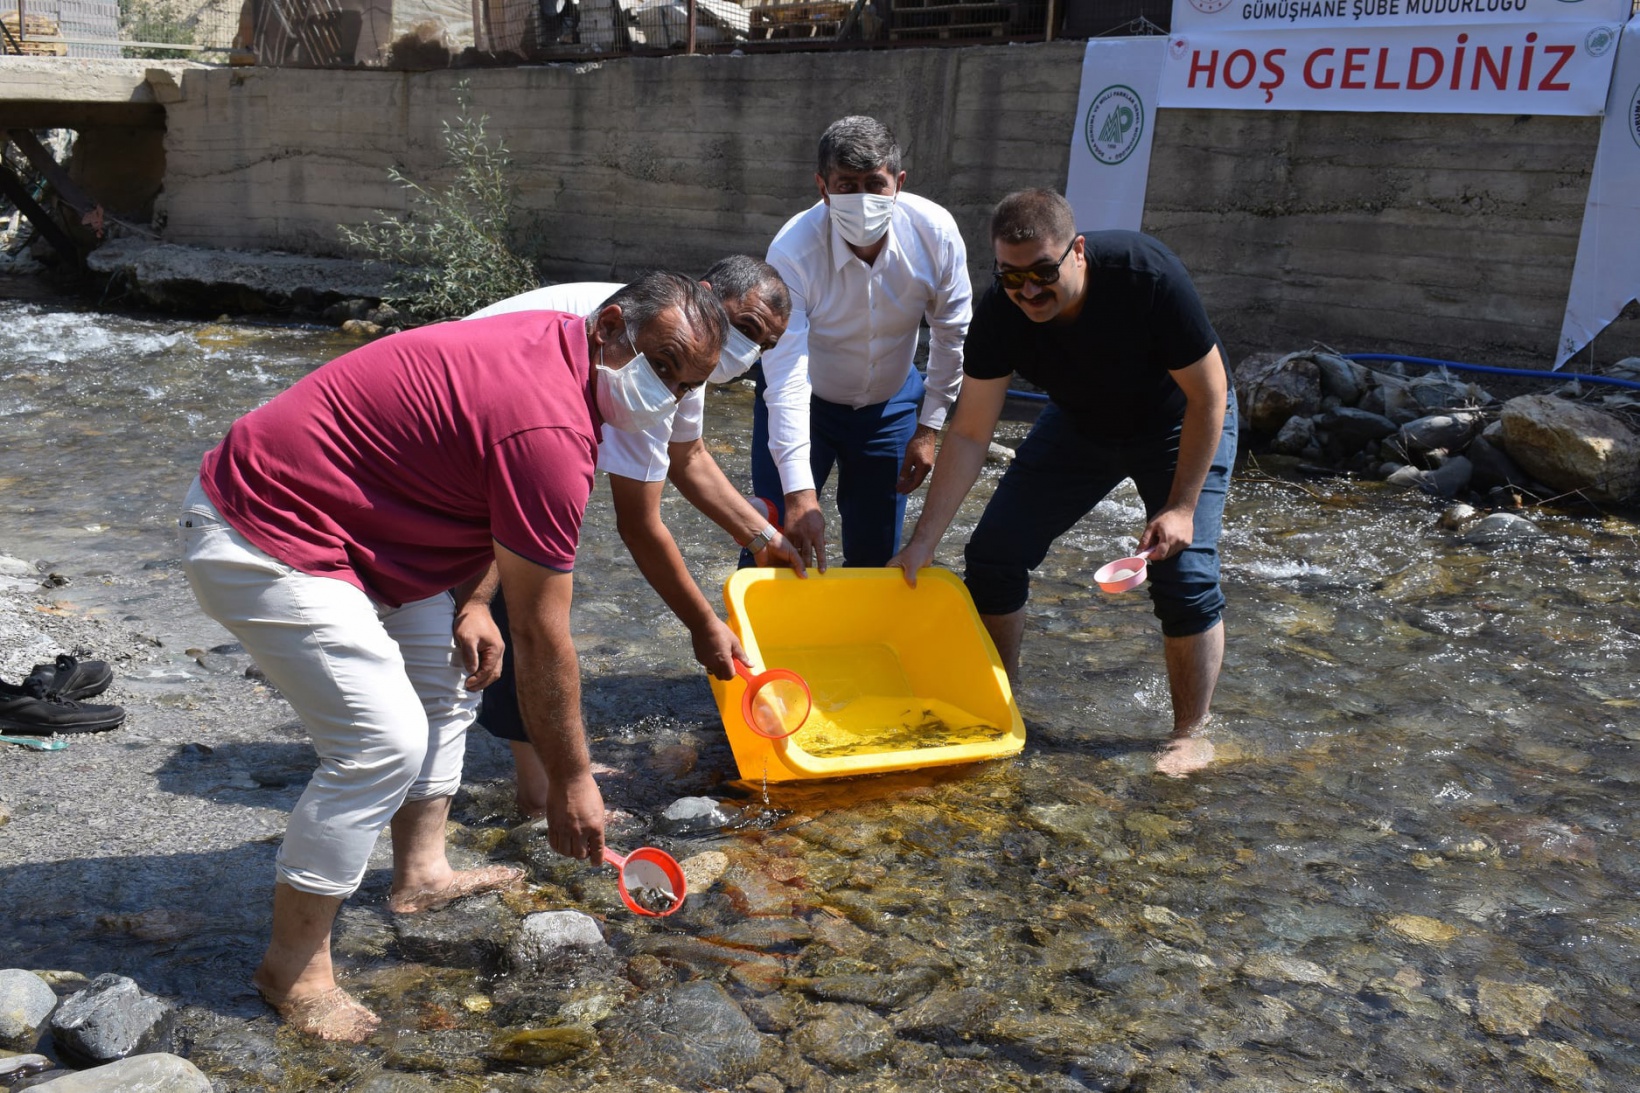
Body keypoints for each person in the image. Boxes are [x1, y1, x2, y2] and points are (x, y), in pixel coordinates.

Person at [180, 272, 727, 1042]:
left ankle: (420, 874)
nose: (666, 395)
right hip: (265, 528)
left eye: (688, 384)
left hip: (364, 530)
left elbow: (472, 476)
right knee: (378, 743)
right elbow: (543, 633)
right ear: (609, 328)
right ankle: (292, 970)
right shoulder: (550, 429)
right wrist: (571, 778)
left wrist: (473, 600)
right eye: (662, 365)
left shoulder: (557, 351)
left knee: (449, 676)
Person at [887, 189, 1237, 779]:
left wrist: (1180, 506)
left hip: (1179, 419)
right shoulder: (1000, 313)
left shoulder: (1144, 275)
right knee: (993, 555)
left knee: (1185, 571)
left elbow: (1210, 393)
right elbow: (971, 432)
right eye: (1012, 275)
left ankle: (1189, 735)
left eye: (1043, 273)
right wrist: (923, 542)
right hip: (1081, 424)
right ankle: (1001, 707)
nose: (1029, 291)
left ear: (1077, 251)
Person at [467, 258, 804, 816]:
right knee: (527, 603)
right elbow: (639, 523)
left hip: (492, 427)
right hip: (475, 429)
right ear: (703, 293)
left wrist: (764, 535)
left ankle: (543, 769)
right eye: (746, 328)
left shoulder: (686, 353)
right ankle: (540, 787)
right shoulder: (652, 348)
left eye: (763, 345)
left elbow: (689, 457)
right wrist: (702, 624)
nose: (750, 352)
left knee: (523, 594)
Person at [753, 114, 972, 571]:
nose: (863, 198)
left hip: (889, 409)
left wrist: (929, 426)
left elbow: (951, 336)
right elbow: (786, 372)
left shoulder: (935, 234)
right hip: (805, 401)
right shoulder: (793, 250)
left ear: (899, 182)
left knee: (877, 562)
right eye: (846, 185)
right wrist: (798, 492)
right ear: (822, 187)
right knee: (774, 548)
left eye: (875, 183)